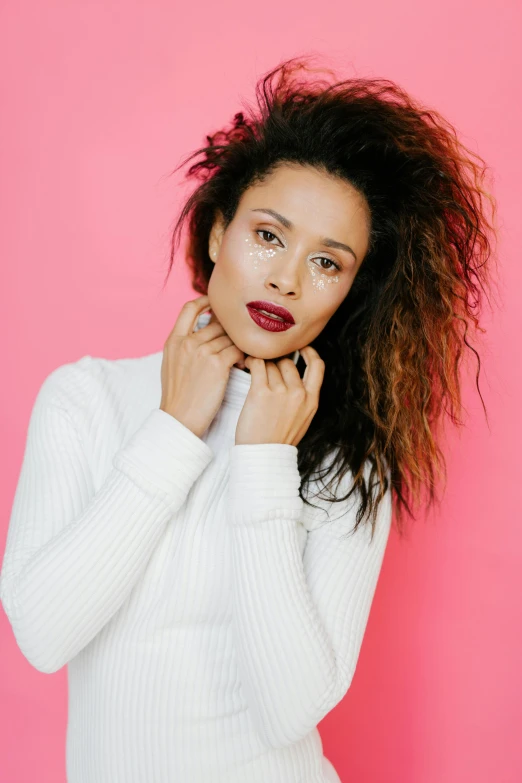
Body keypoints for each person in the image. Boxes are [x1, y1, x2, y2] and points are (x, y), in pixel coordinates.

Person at [0, 55, 497, 783]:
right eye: (269, 235)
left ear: (349, 292)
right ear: (216, 234)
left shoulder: (345, 463)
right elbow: (41, 633)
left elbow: (289, 710)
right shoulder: (87, 400)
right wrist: (174, 429)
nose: (287, 277)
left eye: (328, 262)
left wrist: (267, 461)